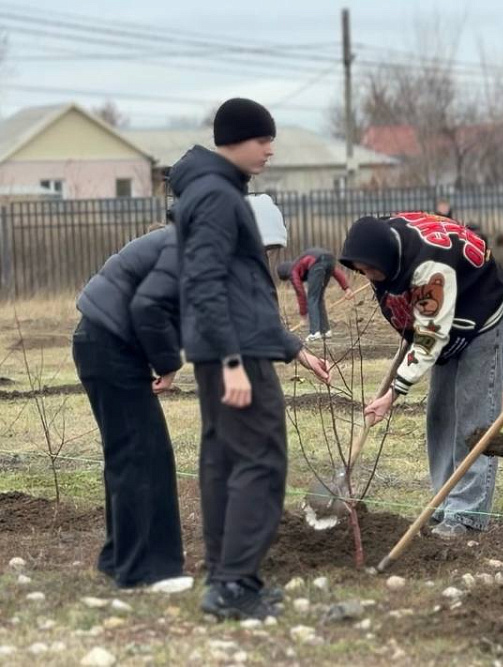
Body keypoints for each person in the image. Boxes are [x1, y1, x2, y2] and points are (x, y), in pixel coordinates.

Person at [172, 97, 331, 620]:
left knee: (224, 462)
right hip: (233, 351)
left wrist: (291, 348)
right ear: (236, 139)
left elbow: (235, 287)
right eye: (262, 139)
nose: (270, 149)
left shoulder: (211, 190)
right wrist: (232, 361)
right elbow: (205, 282)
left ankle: (229, 578)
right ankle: (233, 583)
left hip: (232, 345)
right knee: (260, 460)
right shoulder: (217, 196)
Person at [342, 211, 503, 539]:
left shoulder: (430, 269)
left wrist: (393, 394)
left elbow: (430, 337)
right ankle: (444, 500)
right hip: (445, 307)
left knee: (474, 415)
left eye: (372, 270)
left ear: (386, 258)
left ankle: (467, 512)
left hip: (481, 310)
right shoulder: (386, 241)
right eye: (362, 271)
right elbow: (419, 319)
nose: (369, 277)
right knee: (440, 414)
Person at [73, 221, 192, 594]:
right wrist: (168, 364)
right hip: (109, 346)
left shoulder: (179, 241)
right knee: (141, 456)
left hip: (102, 342)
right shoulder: (187, 247)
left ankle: (119, 559)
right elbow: (149, 306)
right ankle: (146, 570)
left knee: (135, 454)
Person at [276, 248, 351, 341]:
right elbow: (334, 271)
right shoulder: (300, 264)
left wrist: (303, 314)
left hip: (317, 263)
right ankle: (325, 330)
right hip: (330, 259)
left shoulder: (293, 271)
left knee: (312, 298)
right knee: (318, 298)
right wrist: (346, 288)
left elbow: (300, 293)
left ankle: (314, 332)